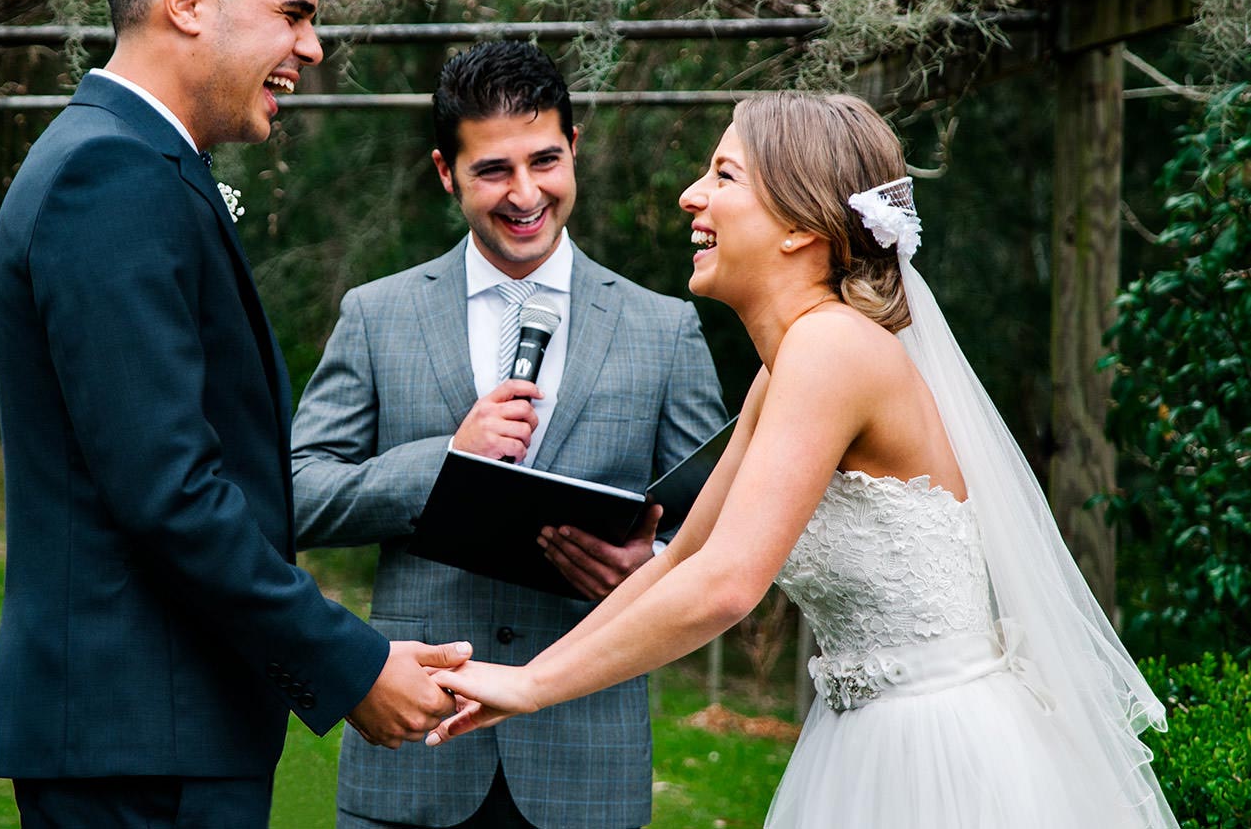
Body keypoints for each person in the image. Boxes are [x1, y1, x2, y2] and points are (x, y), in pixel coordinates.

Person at [426, 91, 1181, 829]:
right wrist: (526, 677)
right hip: (861, 738)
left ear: (800, 227)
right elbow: (684, 556)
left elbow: (726, 586)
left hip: (934, 750)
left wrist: (532, 687)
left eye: (723, 176)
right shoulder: (788, 361)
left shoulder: (829, 348)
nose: (692, 196)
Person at [0, 0, 468, 828]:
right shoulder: (109, 175)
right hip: (139, 741)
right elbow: (168, 491)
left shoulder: (137, 162)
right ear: (187, 1)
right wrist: (350, 662)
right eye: (293, 13)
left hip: (153, 729)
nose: (312, 48)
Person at [291, 39, 726, 829]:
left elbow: (718, 530)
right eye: (493, 169)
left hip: (583, 765)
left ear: (574, 151)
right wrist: (442, 462)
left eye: (545, 161)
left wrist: (648, 567)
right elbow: (297, 496)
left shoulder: (664, 330)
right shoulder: (376, 313)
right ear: (443, 171)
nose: (525, 194)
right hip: (413, 754)